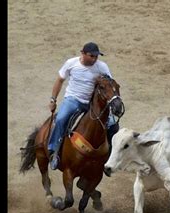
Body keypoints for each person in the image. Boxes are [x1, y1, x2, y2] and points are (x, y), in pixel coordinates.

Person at [48, 42, 119, 170]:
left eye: (96, 56)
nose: (94, 59)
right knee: (60, 119)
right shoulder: (71, 63)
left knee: (113, 124)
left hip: (92, 104)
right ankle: (53, 151)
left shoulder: (101, 67)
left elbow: (110, 84)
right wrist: (53, 99)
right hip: (73, 100)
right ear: (83, 53)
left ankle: (110, 156)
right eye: (91, 56)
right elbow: (59, 80)